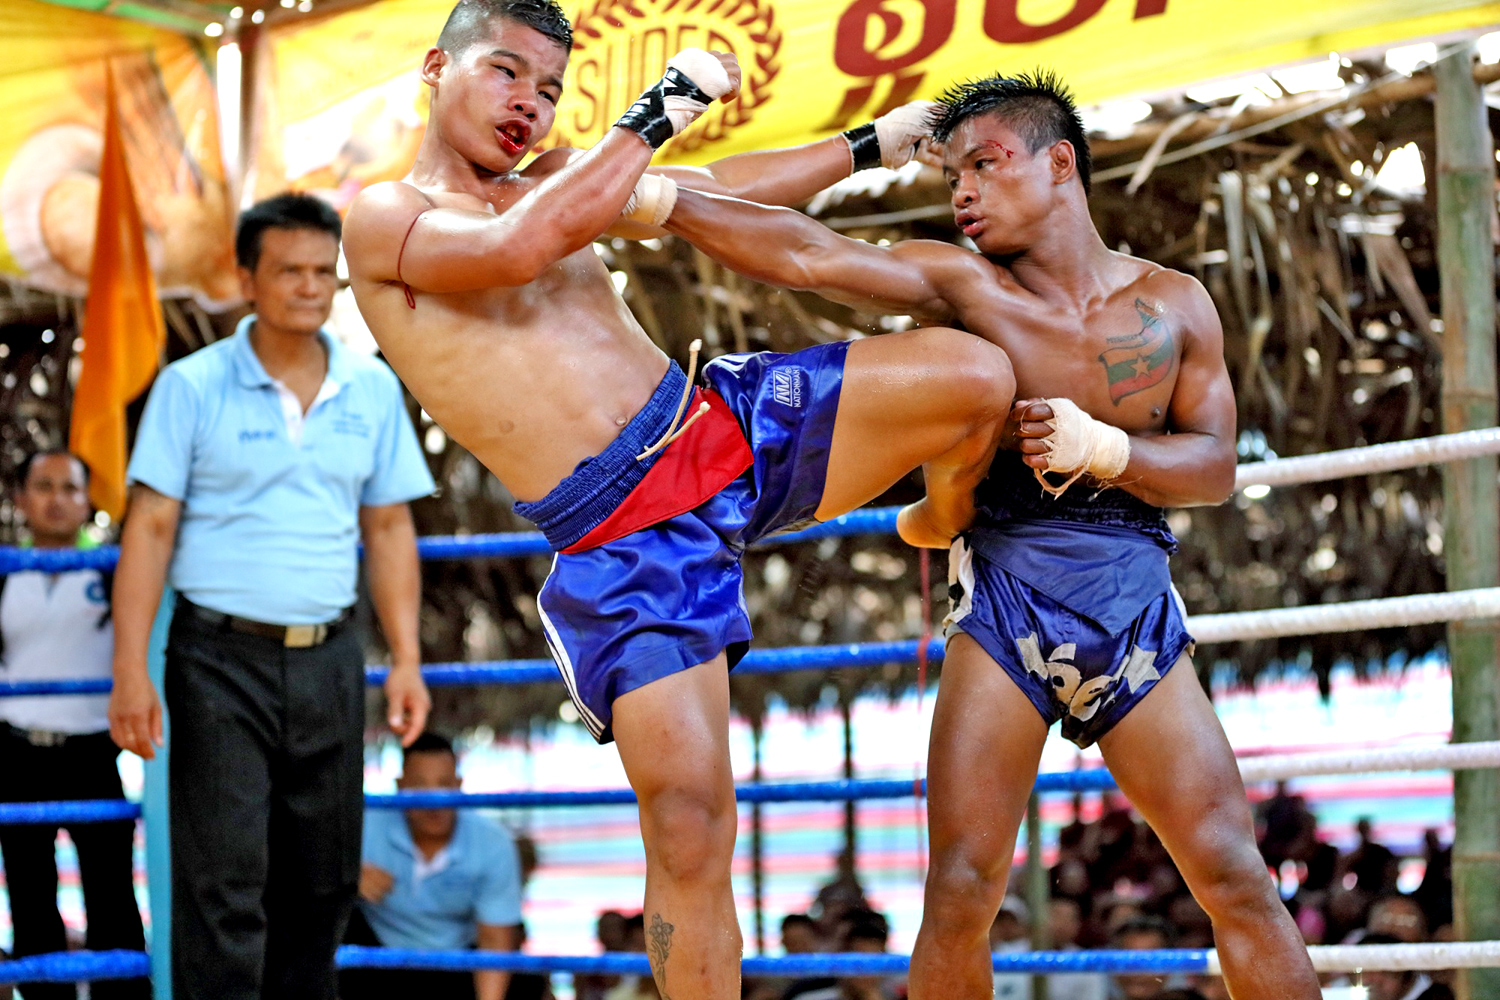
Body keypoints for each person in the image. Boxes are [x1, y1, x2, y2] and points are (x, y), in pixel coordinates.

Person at [340, 2, 1016, 997]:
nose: (529, 103)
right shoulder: (385, 217)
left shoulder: (568, 181)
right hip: (622, 535)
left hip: (718, 424)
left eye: (549, 88)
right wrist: (658, 112)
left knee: (976, 375)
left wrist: (869, 143)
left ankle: (944, 518)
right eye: (505, 74)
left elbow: (715, 191)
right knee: (694, 824)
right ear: (437, 68)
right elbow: (514, 251)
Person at [652, 71, 1322, 999]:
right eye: (951, 173)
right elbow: (803, 252)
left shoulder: (1174, 305)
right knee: (961, 890)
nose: (962, 190)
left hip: (1132, 604)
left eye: (985, 164)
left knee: (1235, 875)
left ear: (1060, 164)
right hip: (1004, 598)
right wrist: (659, 197)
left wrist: (1108, 448)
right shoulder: (962, 283)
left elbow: (1213, 468)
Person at [109, 193, 436, 1000]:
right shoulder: (191, 387)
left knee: (324, 884)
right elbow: (147, 530)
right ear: (246, 278)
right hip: (216, 661)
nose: (309, 287)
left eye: (324, 272)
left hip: (330, 659)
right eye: (289, 271)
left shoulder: (370, 389)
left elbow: (390, 529)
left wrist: (407, 662)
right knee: (223, 885)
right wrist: (129, 672)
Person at [0, 450, 147, 1000]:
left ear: (88, 501)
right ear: (21, 499)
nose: (56, 498)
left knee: (112, 899)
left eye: (69, 487)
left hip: (91, 754)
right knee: (31, 901)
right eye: (43, 486)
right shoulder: (4, 573)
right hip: (16, 755)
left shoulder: (115, 575)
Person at [342, 732, 523, 1000]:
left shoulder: (492, 843)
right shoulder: (362, 826)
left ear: (459, 786)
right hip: (377, 958)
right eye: (420, 786)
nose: (434, 800)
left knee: (525, 977)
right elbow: (300, 875)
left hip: (456, 962)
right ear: (400, 787)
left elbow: (494, 941)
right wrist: (345, 878)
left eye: (444, 785)